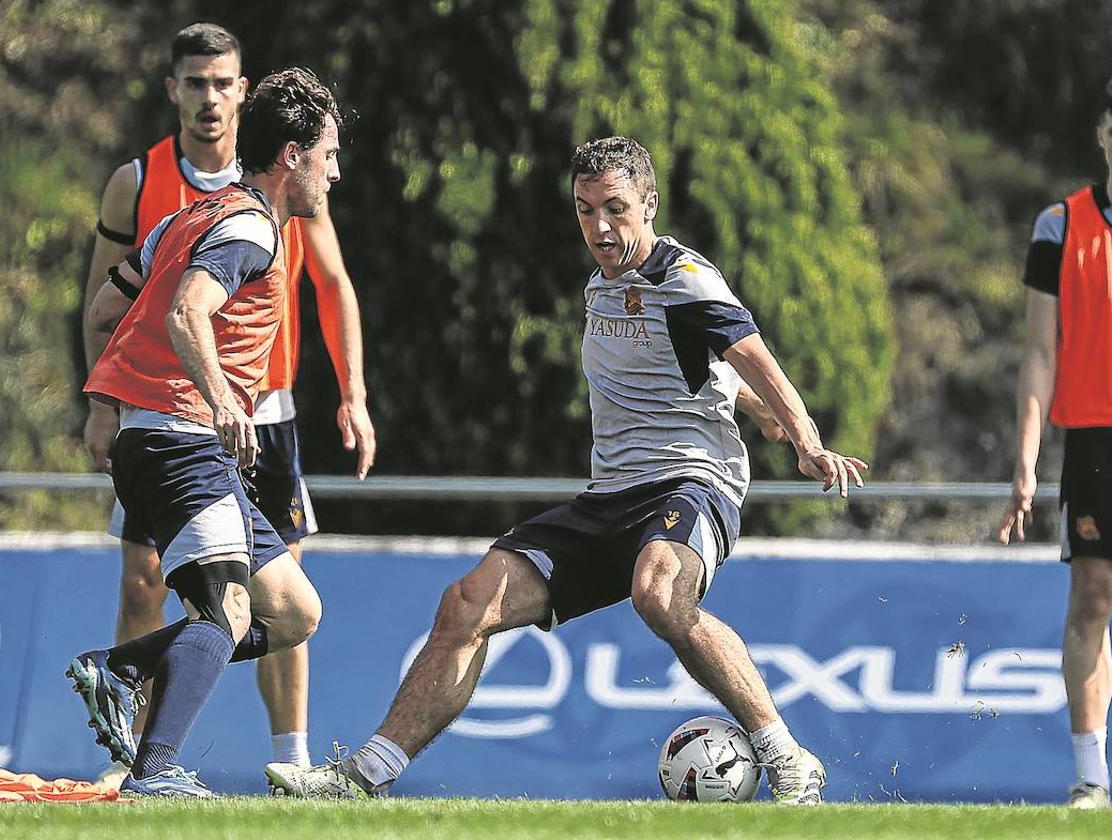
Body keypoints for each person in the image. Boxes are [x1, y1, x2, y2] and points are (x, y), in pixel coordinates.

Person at [265, 136, 867, 805]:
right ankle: (362, 777)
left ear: (649, 204)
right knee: (465, 603)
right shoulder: (601, 285)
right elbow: (703, 364)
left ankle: (785, 756)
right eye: (586, 210)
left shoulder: (684, 277)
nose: (601, 227)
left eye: (616, 208)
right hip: (609, 499)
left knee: (660, 593)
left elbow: (749, 351)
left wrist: (805, 438)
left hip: (691, 483)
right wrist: (754, 410)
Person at [80, 23, 374, 782]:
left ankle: (122, 667)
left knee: (295, 611)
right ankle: (155, 769)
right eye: (330, 156)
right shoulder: (250, 228)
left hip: (166, 437)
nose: (335, 174)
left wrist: (121, 390)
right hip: (182, 439)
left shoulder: (192, 217)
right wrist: (218, 399)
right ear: (292, 156)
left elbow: (109, 311)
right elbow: (185, 312)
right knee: (230, 613)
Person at [998, 83, 1112, 810]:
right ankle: (1090, 779)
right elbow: (1040, 352)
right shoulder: (1059, 225)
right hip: (1094, 436)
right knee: (1093, 598)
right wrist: (1027, 461)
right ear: (1104, 135)